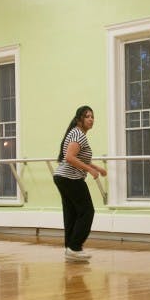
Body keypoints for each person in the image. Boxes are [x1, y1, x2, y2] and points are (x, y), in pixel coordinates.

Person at [53, 105, 106, 262]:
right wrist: (90, 170)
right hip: (70, 178)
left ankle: (71, 248)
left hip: (63, 177)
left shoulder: (76, 133)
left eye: (92, 116)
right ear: (79, 119)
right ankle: (75, 247)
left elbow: (80, 158)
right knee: (87, 212)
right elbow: (70, 157)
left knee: (72, 213)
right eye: (87, 116)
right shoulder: (78, 134)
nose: (91, 119)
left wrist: (97, 168)